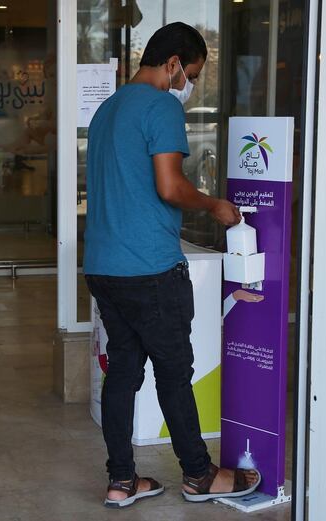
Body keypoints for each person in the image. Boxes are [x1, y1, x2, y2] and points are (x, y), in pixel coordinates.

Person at [84, 22, 261, 508]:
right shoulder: (160, 104)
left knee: (122, 373)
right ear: (174, 63)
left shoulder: (109, 107)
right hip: (149, 267)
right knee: (173, 373)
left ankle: (121, 481)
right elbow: (169, 185)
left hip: (103, 264)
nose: (192, 85)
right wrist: (213, 206)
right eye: (194, 73)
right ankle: (200, 476)